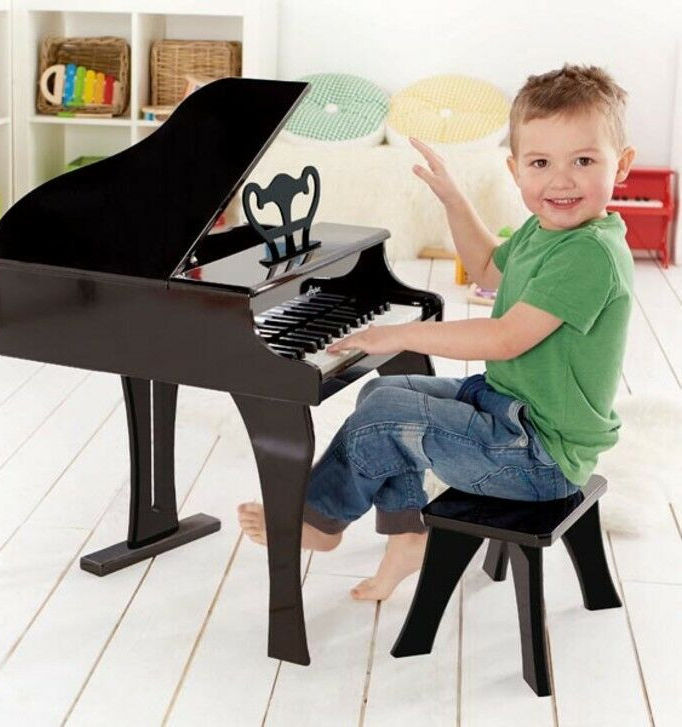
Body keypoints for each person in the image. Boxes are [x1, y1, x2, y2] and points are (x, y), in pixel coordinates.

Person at [238, 63, 635, 601]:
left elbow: (504, 337)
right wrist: (453, 198)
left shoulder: (589, 253)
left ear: (622, 165)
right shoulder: (546, 232)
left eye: (583, 161)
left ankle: (321, 520)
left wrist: (398, 336)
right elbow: (488, 269)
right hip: (509, 411)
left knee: (381, 420)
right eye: (541, 163)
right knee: (384, 392)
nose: (560, 180)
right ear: (515, 169)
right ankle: (408, 536)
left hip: (538, 456)